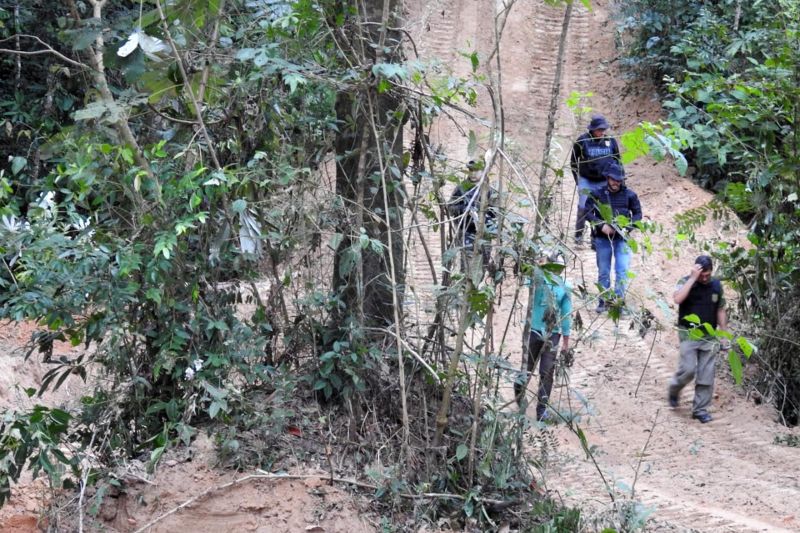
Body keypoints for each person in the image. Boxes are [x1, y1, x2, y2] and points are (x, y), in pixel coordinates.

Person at [668, 255, 729, 423]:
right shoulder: (686, 281)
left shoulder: (716, 285)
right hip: (688, 332)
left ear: (711, 271)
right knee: (687, 370)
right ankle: (674, 388)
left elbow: (721, 310)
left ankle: (700, 410)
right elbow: (677, 299)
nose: (704, 278)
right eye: (701, 274)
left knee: (706, 374)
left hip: (709, 335)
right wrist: (692, 279)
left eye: (707, 274)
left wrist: (724, 335)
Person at [514, 250, 572, 421]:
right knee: (528, 368)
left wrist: (566, 341)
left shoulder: (565, 286)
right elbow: (523, 274)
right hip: (533, 330)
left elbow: (566, 314)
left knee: (547, 372)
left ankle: (541, 410)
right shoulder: (537, 279)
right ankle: (519, 397)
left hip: (553, 333)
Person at [585, 159, 641, 312]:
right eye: (613, 179)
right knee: (604, 271)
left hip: (622, 239)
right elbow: (588, 211)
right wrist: (601, 225)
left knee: (622, 271)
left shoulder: (630, 195)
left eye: (619, 180)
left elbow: (637, 215)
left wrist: (627, 227)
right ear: (608, 178)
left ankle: (618, 303)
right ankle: (604, 301)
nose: (616, 182)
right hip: (603, 239)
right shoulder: (597, 194)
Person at [571, 114, 621, 246]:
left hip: (604, 180)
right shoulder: (582, 141)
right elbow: (573, 161)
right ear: (592, 129)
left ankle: (596, 237)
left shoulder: (610, 141)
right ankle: (578, 234)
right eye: (599, 129)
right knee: (583, 207)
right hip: (586, 180)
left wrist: (617, 180)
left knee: (601, 209)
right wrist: (578, 180)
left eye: (603, 129)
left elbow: (618, 161)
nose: (601, 132)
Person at [449, 159, 497, 266]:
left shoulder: (490, 189)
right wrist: (464, 209)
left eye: (476, 171)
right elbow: (451, 207)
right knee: (467, 266)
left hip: (484, 235)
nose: (473, 173)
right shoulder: (461, 188)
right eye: (471, 170)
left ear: (483, 171)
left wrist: (483, 213)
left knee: (482, 266)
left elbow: (496, 213)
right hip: (466, 233)